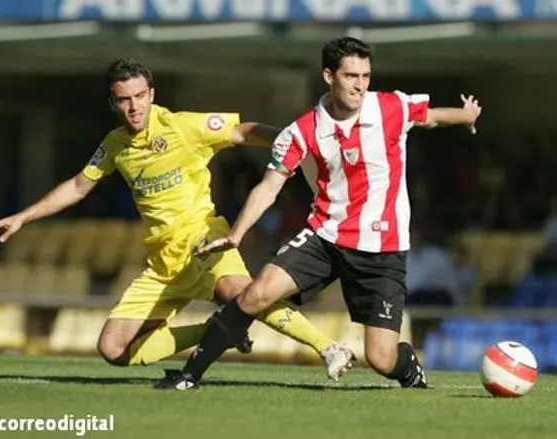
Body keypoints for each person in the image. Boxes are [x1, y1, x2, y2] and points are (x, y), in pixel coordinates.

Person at [0, 58, 355, 380]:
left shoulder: (182, 127)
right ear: (113, 102)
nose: (133, 107)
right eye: (124, 100)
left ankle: (329, 348)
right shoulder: (115, 145)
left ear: (151, 94)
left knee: (242, 295)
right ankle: (213, 330)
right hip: (163, 265)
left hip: (204, 240)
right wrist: (23, 217)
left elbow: (240, 132)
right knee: (113, 349)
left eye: (139, 96)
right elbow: (79, 186)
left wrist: (293, 142)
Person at [155, 37, 482, 390]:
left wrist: (466, 115)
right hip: (325, 235)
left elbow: (429, 118)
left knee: (381, 358)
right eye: (351, 76)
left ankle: (409, 370)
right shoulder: (302, 131)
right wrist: (236, 234)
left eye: (365, 76)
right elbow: (268, 186)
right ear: (329, 76)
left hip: (382, 248)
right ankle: (189, 376)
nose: (360, 85)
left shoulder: (389, 107)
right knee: (256, 293)